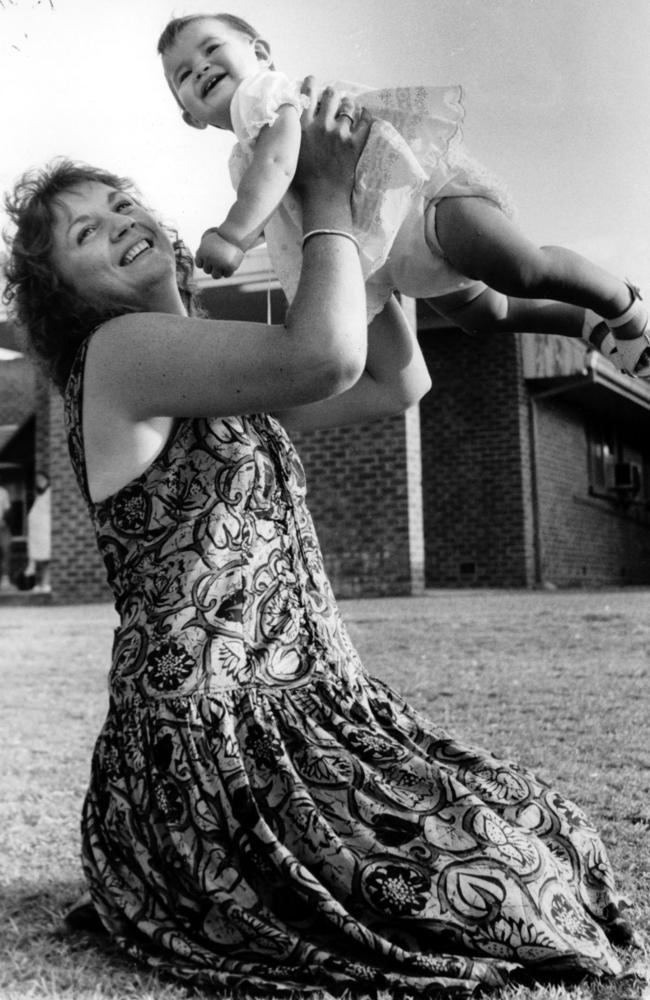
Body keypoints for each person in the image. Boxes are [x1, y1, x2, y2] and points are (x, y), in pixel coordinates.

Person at [2, 86, 639, 998]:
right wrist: (332, 198)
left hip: (312, 709)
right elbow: (325, 357)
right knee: (495, 889)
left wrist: (358, 222)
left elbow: (394, 379)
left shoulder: (205, 358)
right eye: (83, 235)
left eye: (119, 204)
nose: (115, 224)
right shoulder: (121, 354)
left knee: (538, 828)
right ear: (66, 299)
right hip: (214, 742)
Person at [158, 12, 650, 381]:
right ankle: (588, 325)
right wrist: (253, 232)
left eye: (210, 48)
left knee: (521, 270)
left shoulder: (263, 97)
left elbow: (279, 164)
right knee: (487, 315)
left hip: (418, 204)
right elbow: (282, 207)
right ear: (191, 116)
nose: (200, 68)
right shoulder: (241, 159)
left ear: (260, 53)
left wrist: (232, 234)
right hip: (392, 247)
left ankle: (623, 304)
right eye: (183, 74)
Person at [26, 471, 51, 593]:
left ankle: (45, 583)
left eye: (41, 479)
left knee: (46, 558)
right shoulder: (39, 495)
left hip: (45, 531)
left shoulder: (49, 493)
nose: (39, 482)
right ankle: (39, 583)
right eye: (37, 480)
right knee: (38, 559)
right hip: (37, 533)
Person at [0, 478, 14, 590]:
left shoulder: (3, 492)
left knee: (6, 550)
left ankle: (5, 578)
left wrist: (4, 521)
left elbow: (7, 510)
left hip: (2, 527)